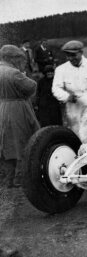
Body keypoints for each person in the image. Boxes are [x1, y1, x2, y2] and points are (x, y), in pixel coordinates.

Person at [52, 40, 87, 144]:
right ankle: (81, 155)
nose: (71, 58)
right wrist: (67, 96)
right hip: (73, 105)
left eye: (73, 55)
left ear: (81, 52)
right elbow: (56, 88)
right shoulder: (61, 69)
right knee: (76, 133)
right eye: (68, 55)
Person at [0, 45, 40, 187]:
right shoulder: (14, 73)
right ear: (12, 58)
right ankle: (20, 177)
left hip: (2, 108)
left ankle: (7, 179)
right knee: (22, 140)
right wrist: (24, 74)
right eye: (19, 59)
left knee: (6, 144)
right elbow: (31, 87)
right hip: (17, 109)